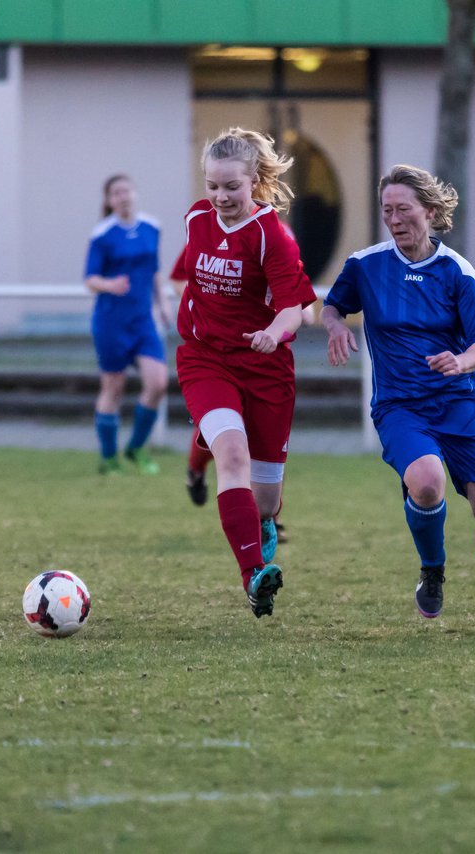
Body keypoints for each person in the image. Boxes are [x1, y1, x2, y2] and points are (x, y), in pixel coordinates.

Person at [322, 164, 475, 635]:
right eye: (386, 211)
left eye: (403, 210)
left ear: (430, 212)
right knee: (425, 480)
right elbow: (333, 303)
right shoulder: (366, 265)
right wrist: (336, 325)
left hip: (459, 405)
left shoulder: (458, 272)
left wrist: (461, 361)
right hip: (400, 407)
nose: (394, 219)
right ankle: (432, 571)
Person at [173, 127, 315, 618]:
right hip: (205, 357)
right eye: (213, 185)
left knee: (266, 501)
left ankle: (263, 518)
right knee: (231, 453)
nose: (220, 196)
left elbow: (295, 308)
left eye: (231, 186)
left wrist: (274, 332)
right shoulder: (195, 218)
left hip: (266, 368)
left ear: (255, 181)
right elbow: (188, 281)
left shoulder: (272, 235)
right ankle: (253, 576)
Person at [84, 174, 172, 475]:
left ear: (135, 193)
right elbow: (90, 279)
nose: (122, 196)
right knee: (113, 386)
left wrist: (163, 304)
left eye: (126, 190)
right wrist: (109, 284)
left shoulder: (151, 227)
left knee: (158, 382)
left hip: (143, 321)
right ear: (108, 200)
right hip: (111, 322)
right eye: (115, 193)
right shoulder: (102, 234)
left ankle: (136, 447)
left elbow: (155, 270)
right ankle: (109, 458)